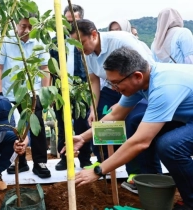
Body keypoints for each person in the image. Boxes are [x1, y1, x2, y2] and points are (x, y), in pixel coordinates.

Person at [74, 46, 193, 210]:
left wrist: (99, 170)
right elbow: (116, 115)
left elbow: (140, 142)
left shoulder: (163, 87)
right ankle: (153, 180)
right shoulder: (143, 81)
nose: (114, 88)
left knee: (171, 145)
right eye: (110, 83)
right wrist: (82, 137)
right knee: (137, 121)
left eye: (116, 83)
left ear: (137, 76)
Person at [70, 19, 161, 193]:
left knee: (135, 125)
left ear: (94, 34)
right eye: (76, 45)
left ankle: (141, 174)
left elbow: (144, 72)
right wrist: (92, 111)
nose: (79, 49)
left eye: (81, 43)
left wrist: (123, 100)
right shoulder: (87, 54)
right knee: (104, 122)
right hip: (118, 90)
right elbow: (94, 81)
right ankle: (105, 160)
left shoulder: (121, 42)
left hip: (142, 89)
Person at [0, 13, 51, 178]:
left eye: (30, 26)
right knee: (15, 128)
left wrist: (44, 93)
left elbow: (44, 69)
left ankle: (40, 162)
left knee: (37, 127)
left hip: (33, 93)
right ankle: (19, 161)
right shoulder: (6, 39)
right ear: (17, 24)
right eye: (23, 26)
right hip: (10, 93)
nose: (26, 30)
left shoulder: (41, 40)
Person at [49, 4, 92, 171]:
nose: (71, 26)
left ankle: (85, 158)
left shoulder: (85, 41)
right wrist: (52, 92)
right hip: (61, 88)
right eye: (67, 22)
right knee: (63, 124)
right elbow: (51, 70)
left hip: (81, 89)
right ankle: (65, 158)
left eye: (75, 21)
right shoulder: (55, 42)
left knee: (83, 124)